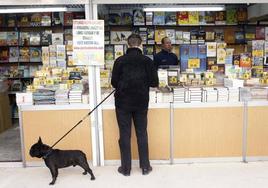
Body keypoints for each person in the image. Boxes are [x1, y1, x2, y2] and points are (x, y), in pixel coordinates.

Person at [111, 34, 159, 176]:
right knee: (142, 133)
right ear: (141, 44)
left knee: (124, 135)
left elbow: (114, 83)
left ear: (127, 44)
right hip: (141, 103)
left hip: (122, 104)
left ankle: (126, 169)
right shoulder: (147, 61)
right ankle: (145, 167)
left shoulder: (119, 61)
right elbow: (154, 82)